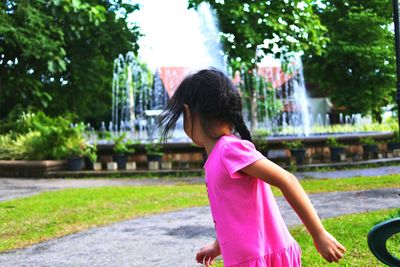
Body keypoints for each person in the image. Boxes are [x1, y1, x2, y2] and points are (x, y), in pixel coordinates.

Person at [157, 68, 346, 266]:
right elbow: (234, 214)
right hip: (249, 257)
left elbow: (287, 180)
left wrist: (319, 234)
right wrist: (219, 245)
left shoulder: (229, 149)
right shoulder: (220, 154)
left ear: (188, 112)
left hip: (261, 257)